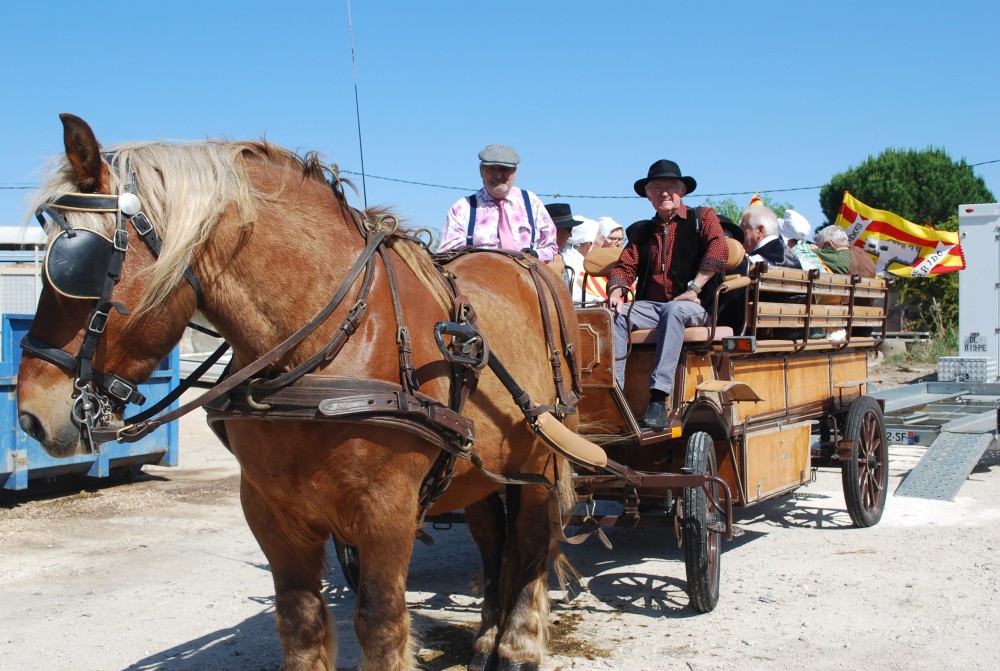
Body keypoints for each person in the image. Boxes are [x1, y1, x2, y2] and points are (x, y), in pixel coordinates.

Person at [606, 159, 729, 430]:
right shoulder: (641, 231)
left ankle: (658, 398)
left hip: (695, 306)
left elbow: (719, 251)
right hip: (652, 307)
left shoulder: (703, 217)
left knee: (674, 310)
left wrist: (694, 287)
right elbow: (624, 266)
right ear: (648, 195)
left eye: (671, 186)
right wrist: (617, 289)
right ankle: (614, 395)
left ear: (682, 191)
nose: (664, 192)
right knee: (614, 314)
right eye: (657, 187)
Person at [437, 144, 558, 261]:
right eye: (491, 169)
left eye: (505, 169)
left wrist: (537, 255)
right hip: (480, 278)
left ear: (516, 172)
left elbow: (551, 247)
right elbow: (447, 255)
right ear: (481, 170)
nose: (498, 175)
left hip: (525, 278)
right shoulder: (463, 208)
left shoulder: (532, 203)